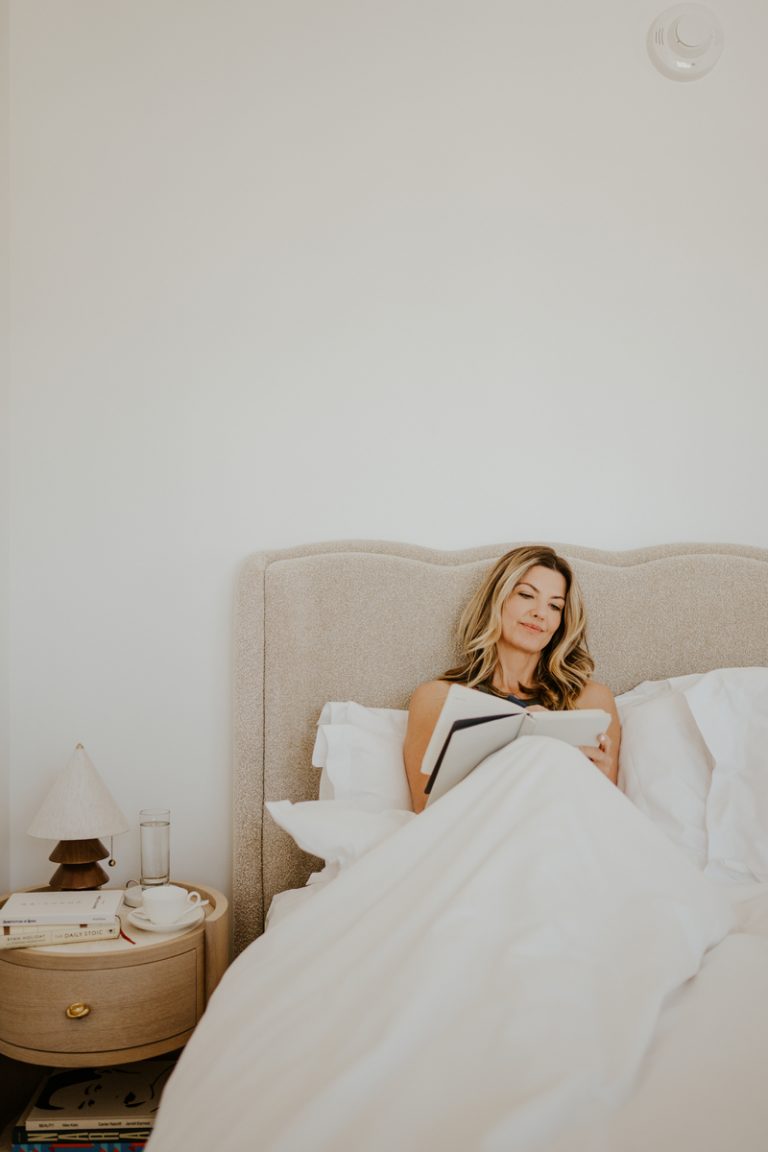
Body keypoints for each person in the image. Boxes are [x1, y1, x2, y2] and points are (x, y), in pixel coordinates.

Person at [403, 545, 621, 813]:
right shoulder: (438, 698)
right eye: (527, 595)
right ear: (497, 599)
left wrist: (593, 777)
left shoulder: (590, 700)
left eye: (554, 606)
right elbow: (426, 810)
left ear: (561, 622)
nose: (540, 613)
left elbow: (608, 814)